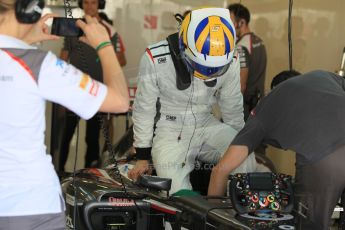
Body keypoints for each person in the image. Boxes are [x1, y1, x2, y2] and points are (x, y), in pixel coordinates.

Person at [0, 0, 129, 229]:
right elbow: (120, 101)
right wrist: (103, 45)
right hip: (31, 207)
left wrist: (24, 41)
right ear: (29, 9)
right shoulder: (36, 64)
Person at [128, 8, 257, 194]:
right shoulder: (155, 58)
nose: (209, 73)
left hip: (207, 122)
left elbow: (232, 104)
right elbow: (144, 109)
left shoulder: (233, 57)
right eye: (204, 66)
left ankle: (233, 211)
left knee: (245, 155)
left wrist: (239, 141)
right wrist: (142, 156)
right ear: (184, 47)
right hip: (170, 129)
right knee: (175, 191)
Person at [208, 70, 345, 230]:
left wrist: (212, 217)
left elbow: (221, 170)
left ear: (271, 90)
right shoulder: (322, 75)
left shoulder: (264, 108)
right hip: (327, 152)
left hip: (325, 158)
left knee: (308, 224)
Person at [58, 0, 126, 171]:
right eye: (86, 2)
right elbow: (63, 56)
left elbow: (120, 60)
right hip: (73, 91)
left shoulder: (109, 30)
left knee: (92, 138)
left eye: (93, 3)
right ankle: (58, 171)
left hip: (96, 93)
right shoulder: (73, 27)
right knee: (66, 135)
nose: (89, 6)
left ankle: (90, 174)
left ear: (99, 5)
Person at [228, 3, 267, 121]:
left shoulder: (240, 47)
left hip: (245, 108)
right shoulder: (259, 41)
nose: (228, 26)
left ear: (241, 23)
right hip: (258, 104)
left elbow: (241, 86)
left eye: (230, 22)